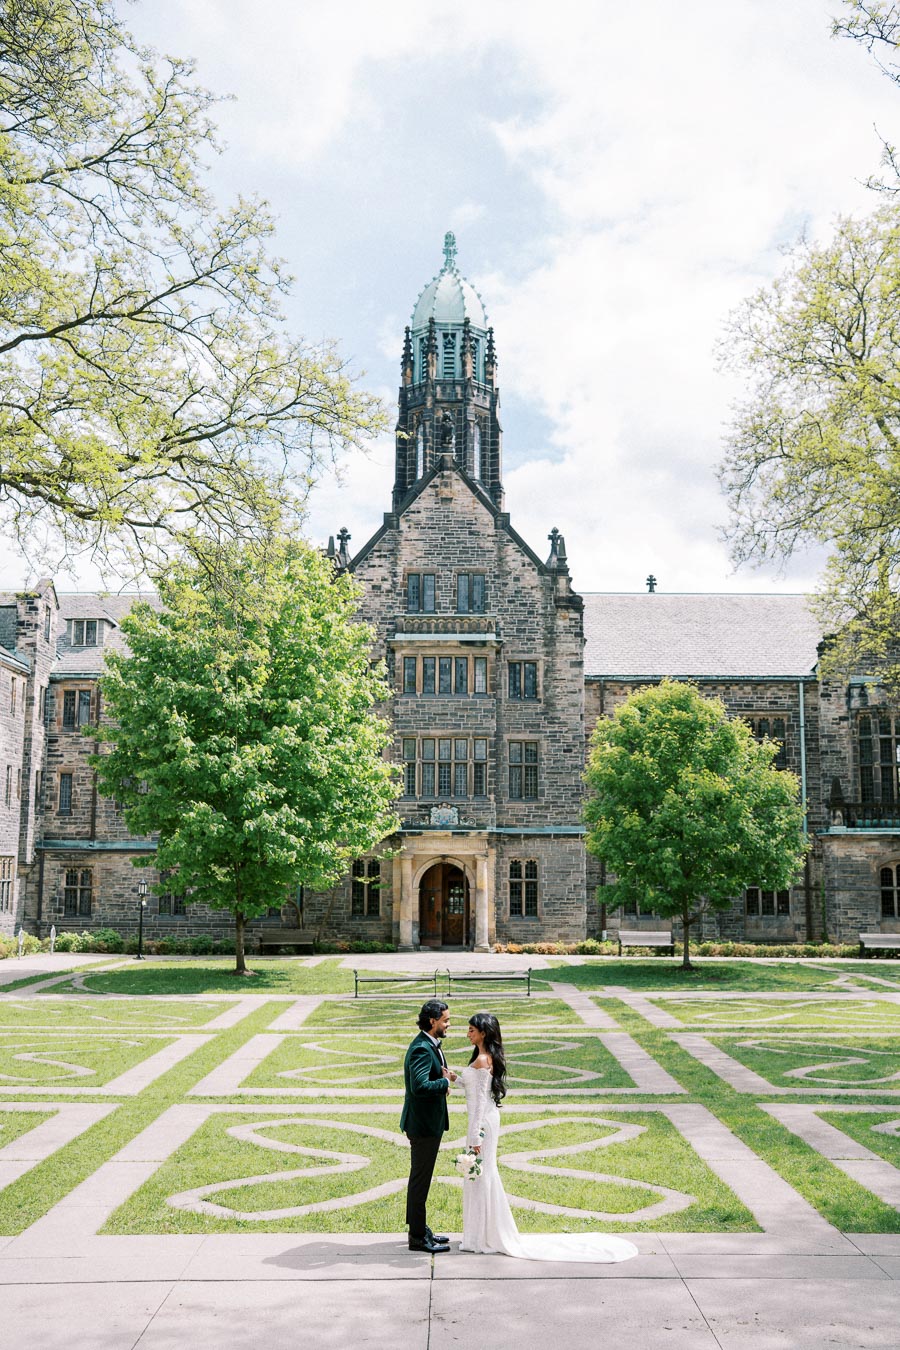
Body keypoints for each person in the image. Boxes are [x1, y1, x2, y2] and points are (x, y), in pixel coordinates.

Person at [457, 1011, 639, 1262]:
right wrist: (454, 1078)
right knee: (482, 1173)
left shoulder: (482, 1060)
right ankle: (481, 1232)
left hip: (481, 1124)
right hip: (485, 1120)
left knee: (482, 1174)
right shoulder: (484, 1059)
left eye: (471, 1030)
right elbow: (477, 1090)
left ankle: (482, 1235)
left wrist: (476, 1139)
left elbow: (478, 1103)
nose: (467, 1034)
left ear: (483, 1033)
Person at [401, 998, 457, 1253]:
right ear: (432, 1021)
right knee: (420, 1181)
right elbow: (420, 1086)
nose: (449, 1024)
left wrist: (444, 1076)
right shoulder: (422, 1048)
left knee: (421, 1179)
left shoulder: (430, 1044)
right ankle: (416, 1236)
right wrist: (445, 1084)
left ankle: (421, 1229)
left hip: (428, 1123)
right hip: (423, 1126)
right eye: (445, 1020)